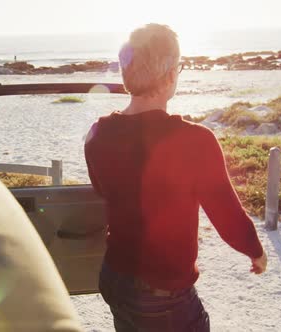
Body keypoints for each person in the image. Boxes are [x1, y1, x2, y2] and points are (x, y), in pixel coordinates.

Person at [84, 24, 267, 331]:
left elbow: (102, 188)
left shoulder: (98, 133)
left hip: (115, 277)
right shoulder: (194, 140)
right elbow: (228, 217)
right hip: (162, 294)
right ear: (169, 75)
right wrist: (256, 252)